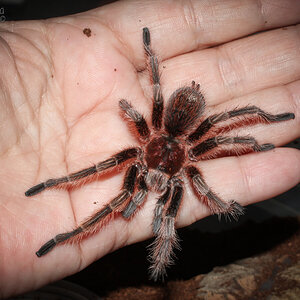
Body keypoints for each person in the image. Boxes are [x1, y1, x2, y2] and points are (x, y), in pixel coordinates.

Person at [0, 0, 299, 297]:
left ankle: (156, 260)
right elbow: (151, 92)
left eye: (158, 178)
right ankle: (71, 230)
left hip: (179, 135)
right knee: (109, 186)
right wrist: (144, 68)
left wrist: (227, 190)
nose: (155, 182)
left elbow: (212, 169)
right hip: (167, 135)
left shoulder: (190, 155)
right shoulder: (146, 147)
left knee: (220, 129)